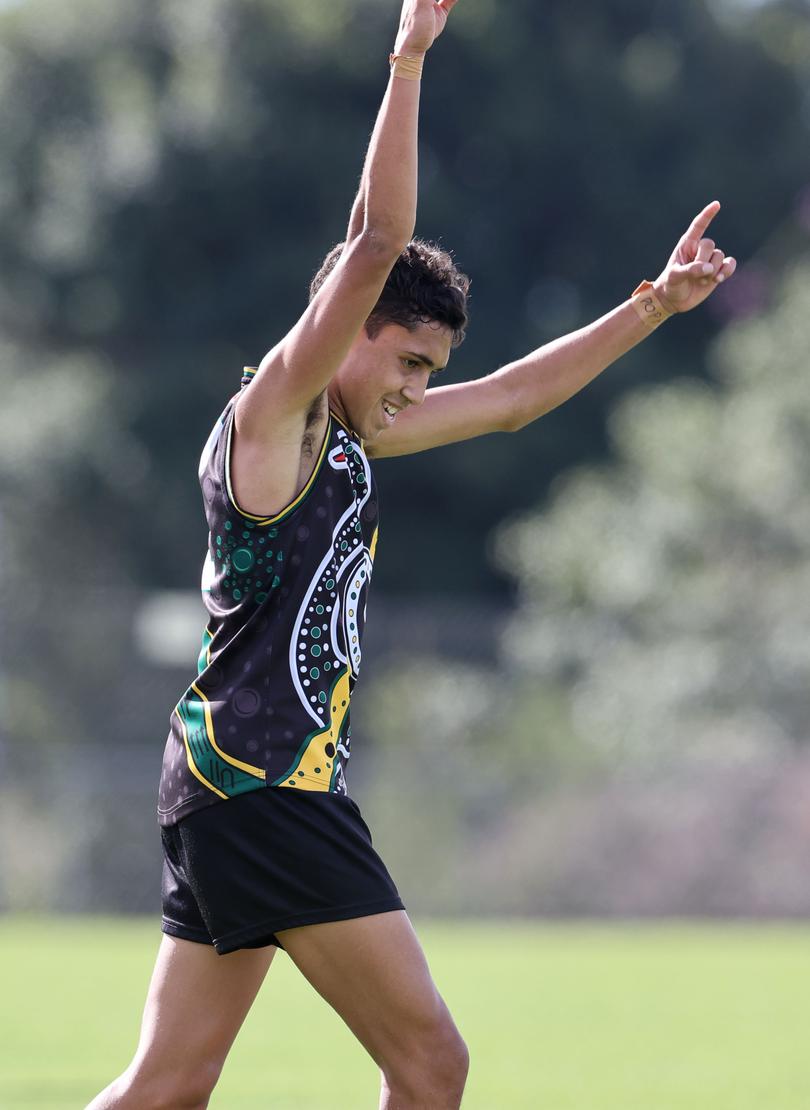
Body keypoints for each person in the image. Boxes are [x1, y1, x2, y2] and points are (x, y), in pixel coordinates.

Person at [87, 0, 736, 1106]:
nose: (417, 389)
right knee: (432, 1065)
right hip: (263, 788)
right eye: (409, 360)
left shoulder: (350, 429)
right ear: (347, 328)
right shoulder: (276, 414)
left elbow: (516, 403)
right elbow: (375, 239)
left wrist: (652, 308)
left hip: (231, 787)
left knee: (168, 1087)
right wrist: (409, 56)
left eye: (431, 371)